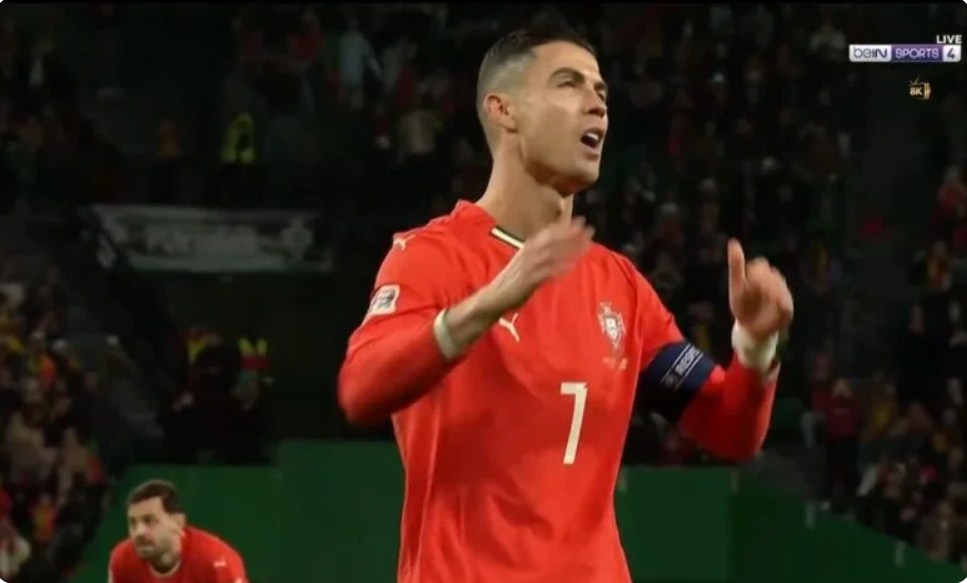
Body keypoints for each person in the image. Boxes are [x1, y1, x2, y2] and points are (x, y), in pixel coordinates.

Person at [337, 15, 794, 583]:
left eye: (601, 92)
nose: (597, 104)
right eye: (568, 84)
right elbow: (361, 390)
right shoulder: (432, 257)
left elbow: (729, 429)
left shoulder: (619, 286)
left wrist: (756, 345)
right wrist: (486, 305)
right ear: (503, 110)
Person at [108, 480, 247, 583]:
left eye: (149, 520)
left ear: (178, 522)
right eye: (133, 522)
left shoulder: (217, 561)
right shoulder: (122, 560)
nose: (139, 532)